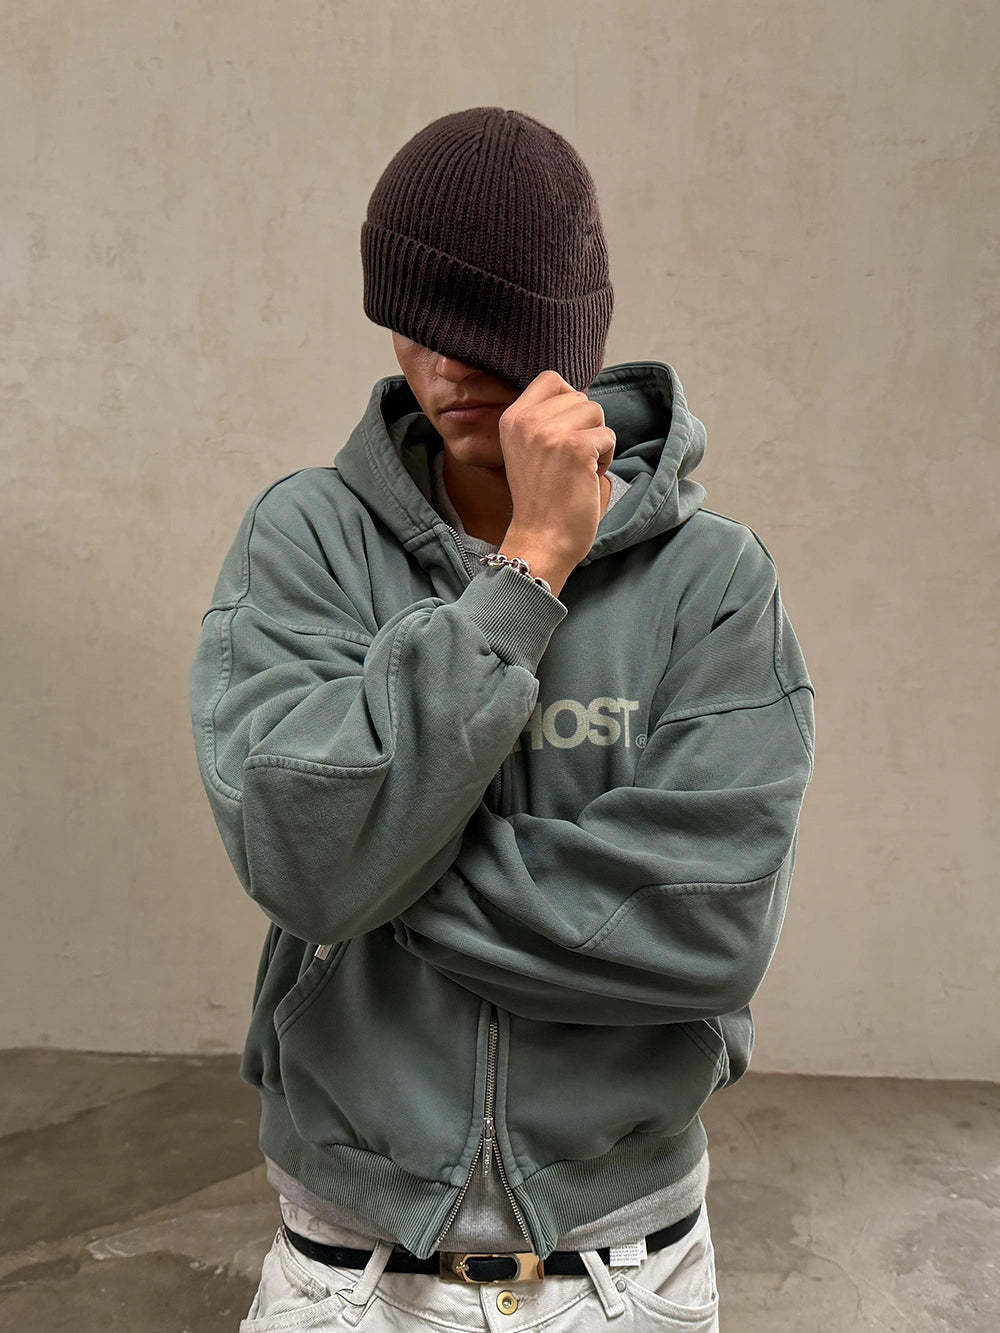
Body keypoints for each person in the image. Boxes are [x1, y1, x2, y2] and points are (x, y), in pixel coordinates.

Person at [188, 105, 816, 1331]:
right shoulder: (307, 538)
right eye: (414, 320)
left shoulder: (712, 579)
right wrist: (527, 569)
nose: (445, 364)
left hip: (629, 1272)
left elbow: (712, 925)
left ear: (566, 327)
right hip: (346, 1271)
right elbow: (304, 863)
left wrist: (383, 862)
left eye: (484, 322)